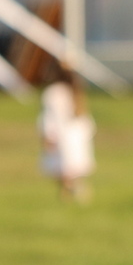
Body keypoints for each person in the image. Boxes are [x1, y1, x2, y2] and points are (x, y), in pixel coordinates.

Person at [38, 65, 95, 202]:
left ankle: (68, 195)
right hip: (76, 135)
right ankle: (75, 193)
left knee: (62, 169)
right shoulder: (75, 91)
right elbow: (84, 117)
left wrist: (48, 134)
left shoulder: (54, 92)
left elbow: (50, 117)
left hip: (62, 135)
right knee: (72, 169)